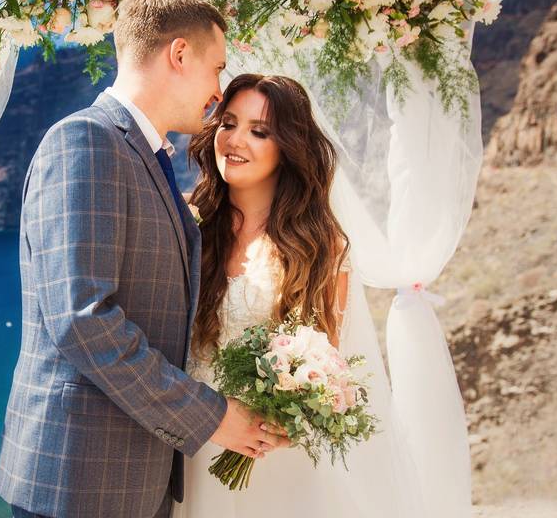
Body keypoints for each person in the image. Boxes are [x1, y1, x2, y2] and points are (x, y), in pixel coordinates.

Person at [0, 0, 289, 518]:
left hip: (135, 482)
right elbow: (85, 321)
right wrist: (215, 417)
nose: (217, 91)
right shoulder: (86, 140)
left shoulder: (145, 156)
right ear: (179, 54)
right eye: (215, 68)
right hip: (80, 484)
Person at [174, 74, 424, 518]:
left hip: (274, 460)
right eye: (228, 122)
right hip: (191, 443)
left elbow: (328, 364)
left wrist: (290, 420)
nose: (234, 140)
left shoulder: (321, 246)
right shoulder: (186, 220)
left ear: (287, 145)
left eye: (259, 130)